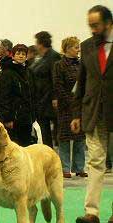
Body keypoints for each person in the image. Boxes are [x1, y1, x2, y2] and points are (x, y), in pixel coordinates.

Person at [72, 5, 113, 223]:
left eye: (96, 25)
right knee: (95, 162)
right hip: (93, 111)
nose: (93, 30)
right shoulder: (86, 46)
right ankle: (92, 213)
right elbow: (82, 80)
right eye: (90, 26)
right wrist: (76, 113)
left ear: (108, 23)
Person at [53, 37, 85, 178]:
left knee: (80, 138)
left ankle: (79, 167)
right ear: (67, 49)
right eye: (75, 47)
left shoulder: (81, 65)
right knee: (65, 138)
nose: (78, 50)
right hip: (65, 106)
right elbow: (58, 86)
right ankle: (65, 169)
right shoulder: (58, 65)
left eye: (78, 47)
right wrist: (71, 102)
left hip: (80, 106)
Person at [0, 44, 36, 147]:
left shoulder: (28, 71)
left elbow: (32, 94)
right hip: (14, 118)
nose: (21, 56)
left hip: (27, 117)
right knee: (14, 147)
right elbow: (4, 97)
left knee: (26, 146)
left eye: (23, 54)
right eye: (18, 53)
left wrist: (33, 116)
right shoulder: (7, 73)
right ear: (12, 56)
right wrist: (8, 118)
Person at [29, 31, 61, 148]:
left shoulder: (53, 56)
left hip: (49, 100)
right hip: (40, 100)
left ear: (41, 43)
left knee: (53, 132)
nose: (36, 45)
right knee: (45, 131)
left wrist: (55, 97)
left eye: (37, 43)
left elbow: (55, 78)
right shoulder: (41, 58)